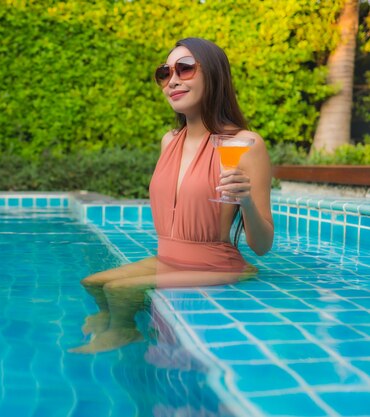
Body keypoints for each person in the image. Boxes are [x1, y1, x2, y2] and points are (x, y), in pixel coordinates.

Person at [70, 37, 274, 353]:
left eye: (185, 68)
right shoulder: (170, 141)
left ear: (215, 75)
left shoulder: (246, 144)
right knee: (94, 283)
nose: (172, 81)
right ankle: (113, 320)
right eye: (164, 73)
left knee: (121, 290)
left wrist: (245, 200)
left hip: (217, 265)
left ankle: (125, 331)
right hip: (169, 258)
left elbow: (262, 246)